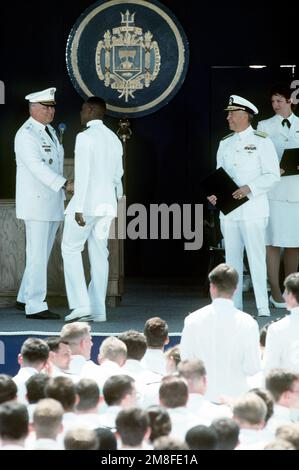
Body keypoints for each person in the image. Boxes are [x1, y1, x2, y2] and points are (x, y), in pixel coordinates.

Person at [208, 95, 280, 316]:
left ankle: (262, 306)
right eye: (228, 113)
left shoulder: (262, 141)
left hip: (253, 209)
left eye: (232, 113)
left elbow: (272, 175)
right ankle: (234, 305)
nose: (228, 117)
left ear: (244, 115)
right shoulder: (225, 142)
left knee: (256, 257)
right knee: (231, 260)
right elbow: (220, 175)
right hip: (229, 212)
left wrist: (249, 187)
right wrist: (214, 194)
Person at [62, 96, 123, 322]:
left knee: (70, 248)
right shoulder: (114, 138)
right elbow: (118, 176)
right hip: (107, 205)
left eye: (82, 110)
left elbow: (84, 173)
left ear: (89, 110)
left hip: (87, 205)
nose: (80, 114)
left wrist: (78, 206)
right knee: (100, 255)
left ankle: (80, 305)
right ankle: (98, 310)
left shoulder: (84, 137)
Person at [15, 87, 73, 319]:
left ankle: (23, 297)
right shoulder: (26, 134)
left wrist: (61, 188)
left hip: (50, 202)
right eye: (46, 107)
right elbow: (37, 167)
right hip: (37, 203)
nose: (51, 111)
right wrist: (64, 183)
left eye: (53, 107)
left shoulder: (48, 130)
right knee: (37, 255)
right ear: (33, 108)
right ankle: (35, 305)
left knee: (42, 253)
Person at [180, 263, 261, 402]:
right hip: (236, 400)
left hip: (203, 399)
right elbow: (252, 367)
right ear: (235, 289)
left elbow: (185, 361)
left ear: (212, 287)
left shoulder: (192, 320)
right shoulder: (249, 323)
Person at [257, 84, 299, 307]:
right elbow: (259, 154)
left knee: (294, 243)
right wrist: (275, 168)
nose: (275, 105)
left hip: (296, 192)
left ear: (289, 101)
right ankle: (274, 292)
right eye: (273, 101)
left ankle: (291, 291)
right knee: (272, 243)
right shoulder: (264, 125)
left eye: (279, 101)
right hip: (274, 192)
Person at [263, 272, 299, 373]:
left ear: (291, 296)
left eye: (286, 293)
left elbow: (269, 368)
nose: (285, 297)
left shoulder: (276, 328)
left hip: (288, 385)